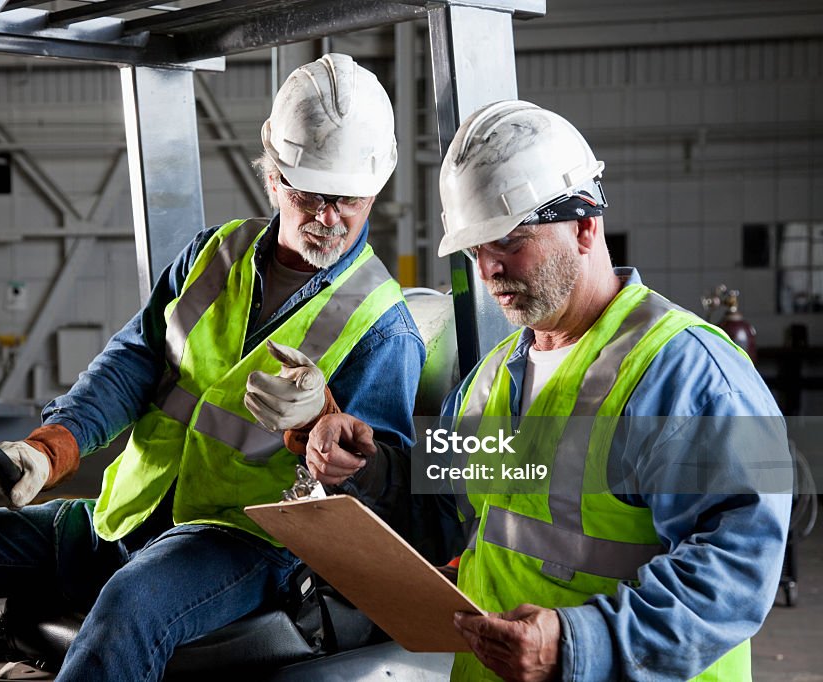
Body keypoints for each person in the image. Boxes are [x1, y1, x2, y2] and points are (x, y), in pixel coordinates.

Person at [0, 53, 425, 682]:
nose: (330, 216)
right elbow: (131, 364)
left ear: (377, 186)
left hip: (239, 541)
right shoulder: (212, 254)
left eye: (349, 198)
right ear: (274, 177)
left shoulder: (384, 325)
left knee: (130, 606)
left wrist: (324, 427)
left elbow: (379, 487)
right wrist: (52, 448)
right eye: (311, 194)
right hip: (130, 512)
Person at [299, 100, 791, 681]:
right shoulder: (492, 376)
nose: (489, 269)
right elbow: (446, 510)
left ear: (585, 227)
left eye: (510, 241)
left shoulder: (695, 376)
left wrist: (581, 644)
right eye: (476, 249)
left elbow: (737, 572)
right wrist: (368, 465)